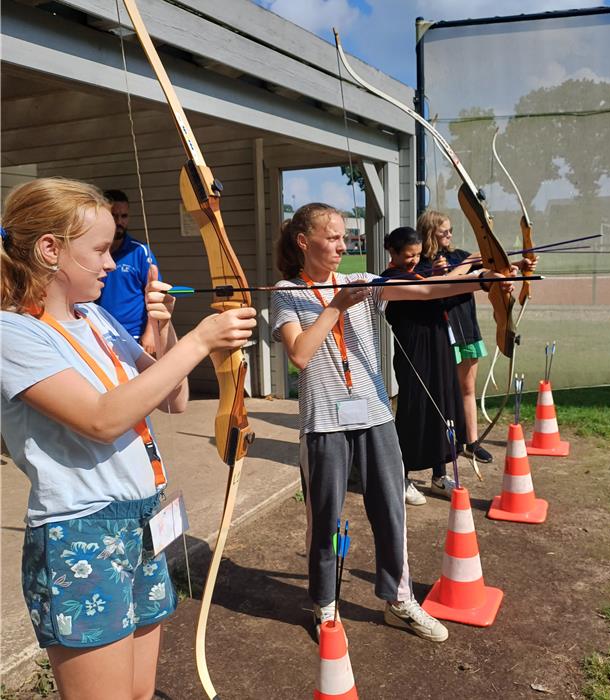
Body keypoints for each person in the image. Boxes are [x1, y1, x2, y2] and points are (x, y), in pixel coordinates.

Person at [0, 178, 256, 700]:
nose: (112, 264)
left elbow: (172, 397)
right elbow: (101, 418)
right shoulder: (14, 333)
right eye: (98, 249)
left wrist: (168, 331)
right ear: (50, 250)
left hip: (142, 520)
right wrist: (206, 338)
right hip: (80, 536)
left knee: (139, 693)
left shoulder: (94, 316)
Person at [270, 203, 512, 644]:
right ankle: (325, 603)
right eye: (334, 237)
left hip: (376, 414)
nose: (344, 245)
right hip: (323, 420)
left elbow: (425, 291)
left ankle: (399, 600)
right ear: (304, 242)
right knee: (324, 517)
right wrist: (336, 308)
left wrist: (486, 277)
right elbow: (300, 355)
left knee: (391, 509)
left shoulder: (361, 283)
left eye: (345, 236)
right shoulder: (287, 292)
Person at [417, 210, 537, 463]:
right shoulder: (421, 263)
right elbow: (427, 288)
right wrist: (442, 272)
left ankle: (471, 442)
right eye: (443, 232)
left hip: (466, 330)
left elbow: (494, 268)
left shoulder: (460, 256)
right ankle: (443, 447)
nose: (449, 234)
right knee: (444, 392)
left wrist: (520, 266)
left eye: (450, 230)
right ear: (430, 234)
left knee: (468, 388)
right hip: (440, 335)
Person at [381, 227, 467, 506]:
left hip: (439, 346)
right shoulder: (390, 278)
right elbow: (431, 292)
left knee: (443, 406)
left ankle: (439, 475)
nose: (415, 260)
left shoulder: (422, 270)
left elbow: (445, 294)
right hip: (414, 353)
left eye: (418, 254)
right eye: (408, 255)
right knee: (414, 411)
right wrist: (469, 273)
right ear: (392, 252)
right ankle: (401, 475)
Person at [97, 189, 160, 355]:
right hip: (99, 333)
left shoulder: (139, 251)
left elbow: (157, 295)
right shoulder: (92, 250)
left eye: (124, 216)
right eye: (114, 216)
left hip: (133, 336)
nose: (119, 221)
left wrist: (151, 332)